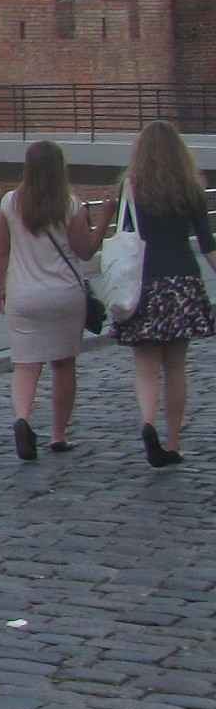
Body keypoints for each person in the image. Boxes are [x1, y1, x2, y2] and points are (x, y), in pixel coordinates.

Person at [0, 139, 107, 460]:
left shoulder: (9, 204)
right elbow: (86, 251)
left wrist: (0, 287)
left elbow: (2, 250)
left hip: (23, 295)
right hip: (63, 296)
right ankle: (58, 434)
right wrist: (106, 217)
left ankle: (22, 418)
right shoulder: (71, 206)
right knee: (63, 365)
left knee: (26, 367)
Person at [110, 120, 215, 467]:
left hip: (143, 282)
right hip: (183, 280)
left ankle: (148, 423)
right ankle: (172, 441)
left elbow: (125, 238)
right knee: (176, 366)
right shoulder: (191, 189)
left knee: (145, 365)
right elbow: (207, 245)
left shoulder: (132, 188)